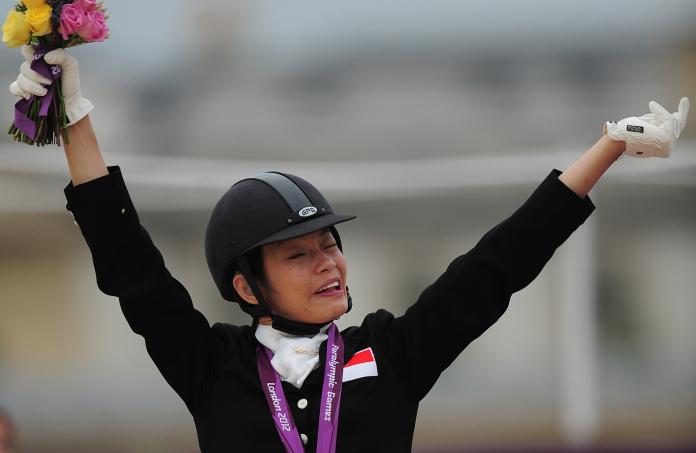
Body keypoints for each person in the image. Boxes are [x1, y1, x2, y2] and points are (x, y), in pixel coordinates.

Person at [9, 45, 690, 452]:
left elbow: (497, 264)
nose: (330, 262)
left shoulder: (391, 350)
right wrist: (72, 118)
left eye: (330, 244)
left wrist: (608, 147)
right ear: (246, 286)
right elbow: (132, 266)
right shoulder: (210, 365)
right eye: (299, 255)